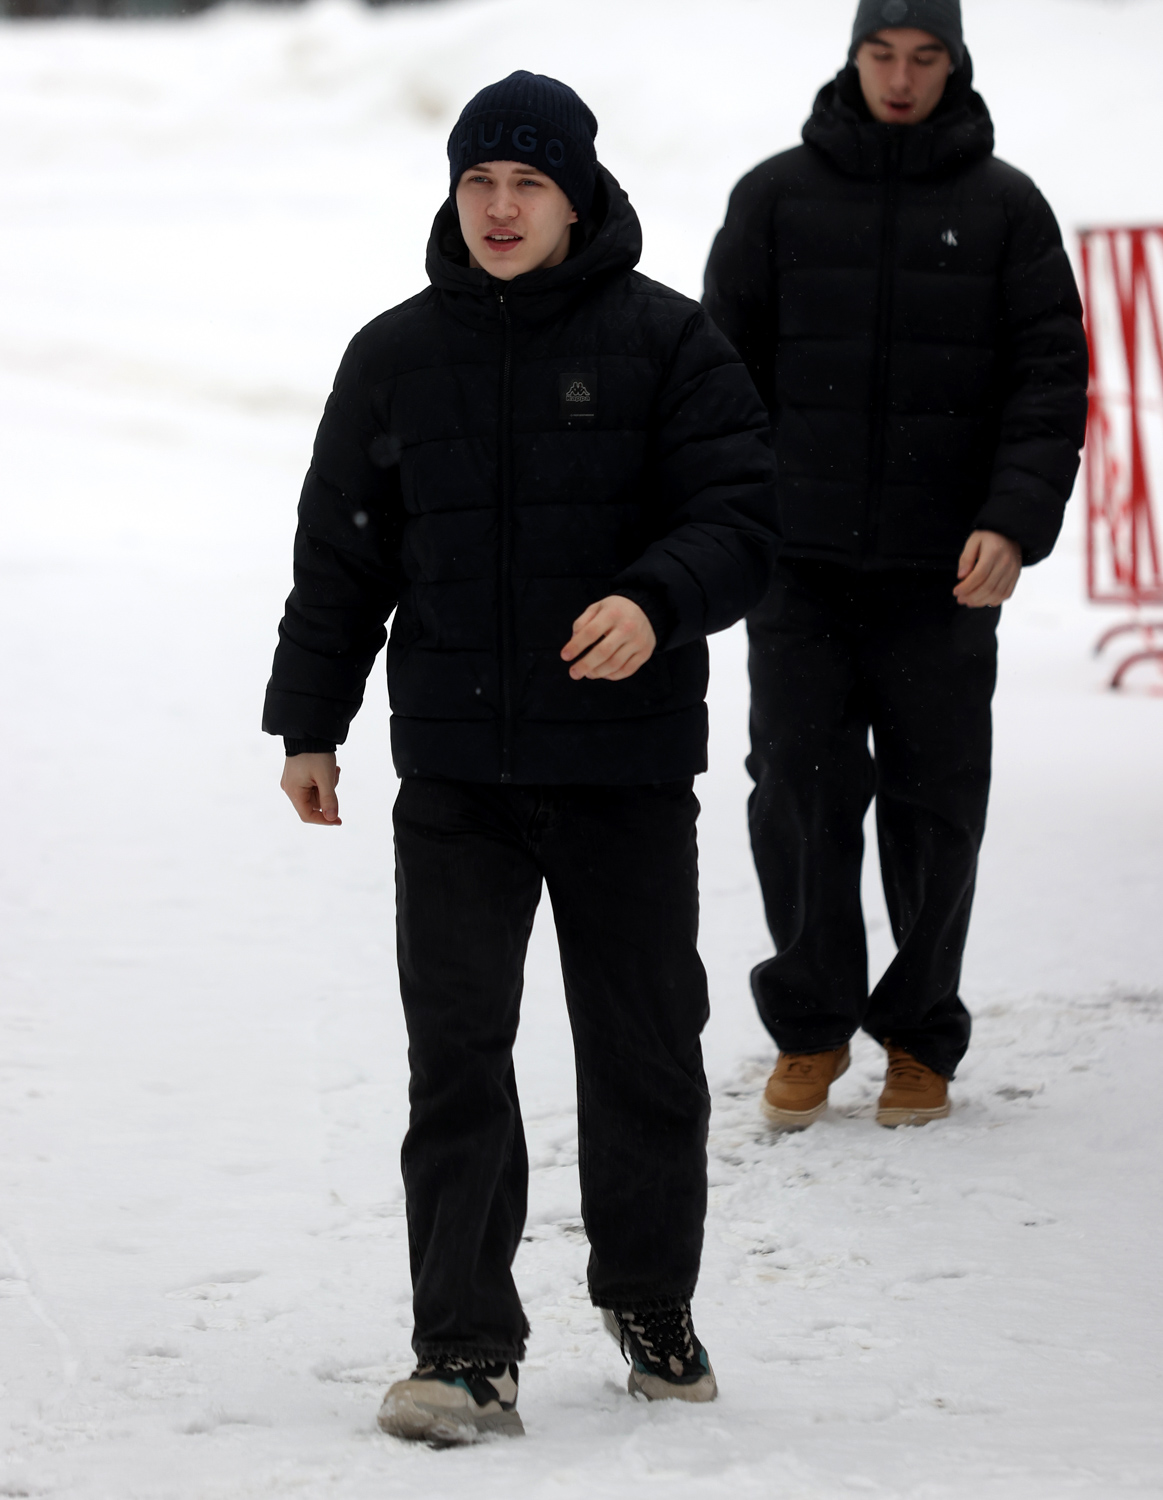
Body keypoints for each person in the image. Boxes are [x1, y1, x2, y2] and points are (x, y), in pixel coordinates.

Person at [263, 72, 778, 1443]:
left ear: (576, 199)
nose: (499, 209)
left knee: (643, 1052)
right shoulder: (393, 355)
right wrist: (310, 722)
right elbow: (342, 556)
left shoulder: (669, 344)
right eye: (478, 182)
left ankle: (649, 1300)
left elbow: (740, 519)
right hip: (456, 777)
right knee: (456, 1059)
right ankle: (463, 1347)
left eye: (527, 184)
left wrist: (655, 600)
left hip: (621, 772)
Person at [704, 0, 1088, 1131]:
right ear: (853, 58)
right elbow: (718, 381)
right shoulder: (773, 198)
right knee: (796, 792)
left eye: (924, 58)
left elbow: (1047, 382)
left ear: (952, 65)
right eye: (882, 55)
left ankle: (918, 1034)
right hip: (798, 566)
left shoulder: (1005, 207)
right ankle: (810, 1025)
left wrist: (1010, 521)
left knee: (935, 802)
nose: (901, 78)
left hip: (943, 572)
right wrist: (736, 520)